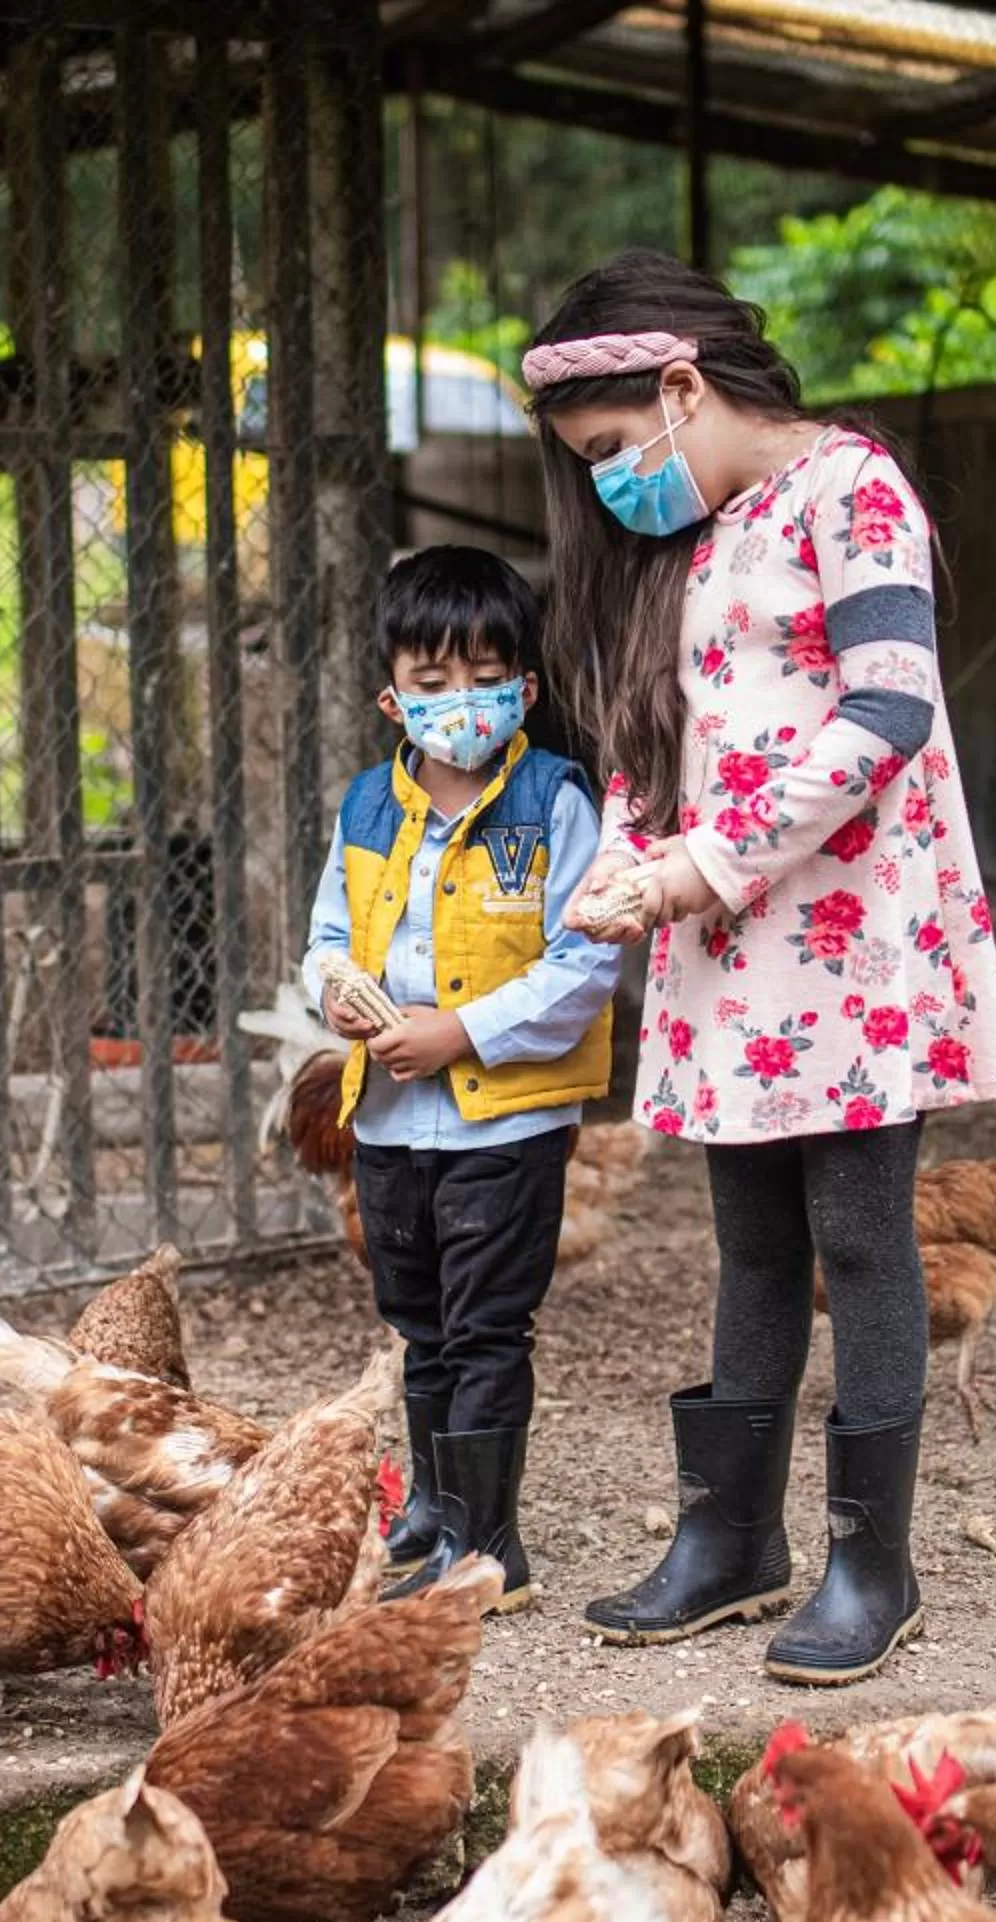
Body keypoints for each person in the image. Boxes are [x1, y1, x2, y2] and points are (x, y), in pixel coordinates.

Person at [527, 248, 996, 1686]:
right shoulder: (703, 532)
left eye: (616, 451)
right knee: (749, 1244)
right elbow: (659, 726)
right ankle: (729, 1537)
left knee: (862, 1241)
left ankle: (875, 1558)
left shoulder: (850, 489)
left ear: (682, 387)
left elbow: (888, 710)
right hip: (729, 948)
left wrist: (701, 865)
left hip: (853, 939)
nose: (614, 484)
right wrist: (631, 850)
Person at [304, 544, 624, 1615]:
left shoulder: (554, 803)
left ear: (524, 689)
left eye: (486, 677)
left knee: (488, 1326)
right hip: (393, 1121)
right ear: (391, 697)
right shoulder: (366, 808)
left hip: (505, 1125)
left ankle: (490, 1549)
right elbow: (330, 935)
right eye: (433, 684)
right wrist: (335, 992)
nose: (461, 703)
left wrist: (464, 1032)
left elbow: (587, 962)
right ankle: (439, 1510)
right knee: (422, 1322)